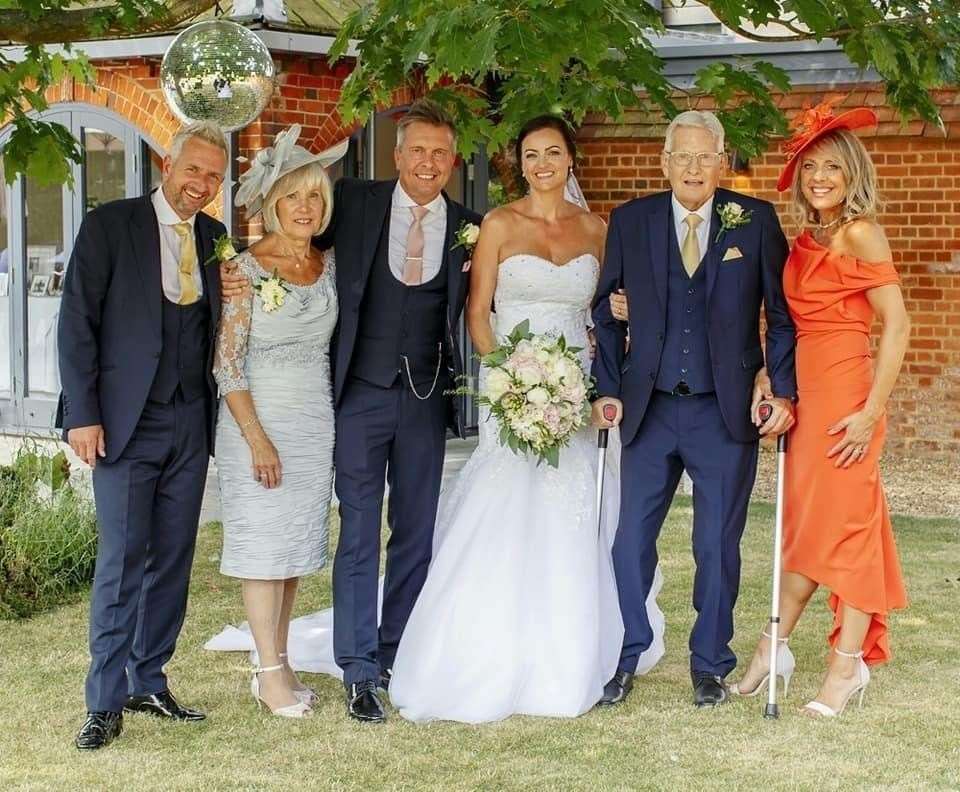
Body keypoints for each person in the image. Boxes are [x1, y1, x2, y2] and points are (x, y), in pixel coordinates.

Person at [387, 115, 665, 723]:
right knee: (506, 500)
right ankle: (480, 645)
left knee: (574, 512)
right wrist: (512, 379)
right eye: (532, 154)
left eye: (554, 153)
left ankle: (572, 648)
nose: (543, 164)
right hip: (511, 385)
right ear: (522, 162)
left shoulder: (596, 229)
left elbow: (607, 312)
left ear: (571, 160)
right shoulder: (499, 223)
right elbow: (479, 314)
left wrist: (613, 322)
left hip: (576, 391)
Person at [222, 99, 481, 723]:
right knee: (358, 530)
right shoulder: (359, 204)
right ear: (398, 154)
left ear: (453, 161)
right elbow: (291, 241)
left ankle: (397, 652)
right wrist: (236, 270)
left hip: (424, 401)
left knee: (416, 530)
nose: (428, 163)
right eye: (417, 150)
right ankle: (359, 669)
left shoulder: (474, 225)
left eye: (440, 153)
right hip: (358, 397)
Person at [594, 110, 797, 708]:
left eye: (704, 156)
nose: (692, 167)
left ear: (722, 161)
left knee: (715, 545)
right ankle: (626, 654)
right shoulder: (631, 221)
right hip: (649, 410)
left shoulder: (754, 221)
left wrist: (780, 387)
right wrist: (608, 387)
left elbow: (781, 318)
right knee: (630, 539)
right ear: (664, 162)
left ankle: (710, 663)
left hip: (724, 412)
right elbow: (607, 311)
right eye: (681, 156)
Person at [730, 104, 909, 717]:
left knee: (851, 528)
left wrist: (871, 411)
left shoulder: (861, 232)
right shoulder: (806, 240)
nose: (820, 177)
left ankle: (845, 666)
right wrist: (766, 377)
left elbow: (898, 326)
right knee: (806, 527)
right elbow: (790, 326)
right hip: (806, 398)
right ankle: (772, 645)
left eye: (832, 167)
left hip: (848, 401)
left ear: (852, 172)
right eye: (810, 168)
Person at [58, 121, 228, 749]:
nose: (202, 185)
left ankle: (148, 679)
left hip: (190, 422)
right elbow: (77, 320)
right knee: (122, 560)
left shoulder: (216, 238)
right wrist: (83, 412)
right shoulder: (111, 225)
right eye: (194, 171)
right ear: (167, 165)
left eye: (213, 176)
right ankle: (103, 702)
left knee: (173, 560)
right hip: (126, 421)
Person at [213, 126, 339, 718]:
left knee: (290, 551)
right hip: (257, 425)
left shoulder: (328, 263)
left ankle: (279, 660)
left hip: (314, 423)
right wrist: (257, 439)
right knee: (264, 548)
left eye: (314, 196)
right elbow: (228, 365)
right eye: (293, 196)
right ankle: (267, 674)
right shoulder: (244, 269)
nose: (305, 208)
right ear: (271, 203)